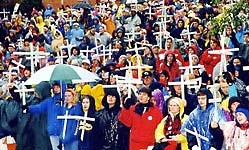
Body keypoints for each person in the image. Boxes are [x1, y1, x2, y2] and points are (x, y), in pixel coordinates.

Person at [26, 80, 66, 150]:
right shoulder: (50, 101)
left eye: (58, 87)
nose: (56, 89)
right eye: (54, 87)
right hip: (53, 131)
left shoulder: (66, 100)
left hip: (64, 131)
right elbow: (39, 108)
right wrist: (28, 108)